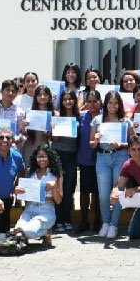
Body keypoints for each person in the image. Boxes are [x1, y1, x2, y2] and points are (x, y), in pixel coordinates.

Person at [91, 91, 135, 239]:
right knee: (103, 194)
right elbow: (91, 144)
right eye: (110, 102)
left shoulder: (125, 121)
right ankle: (106, 222)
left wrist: (122, 144)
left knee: (118, 191)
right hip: (103, 157)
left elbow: (133, 143)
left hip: (120, 155)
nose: (113, 106)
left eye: (116, 103)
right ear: (105, 104)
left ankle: (114, 225)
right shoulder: (97, 120)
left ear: (120, 104)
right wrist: (96, 140)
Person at [12, 144, 63, 245]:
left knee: (27, 231)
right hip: (29, 208)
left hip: (46, 210)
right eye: (39, 156)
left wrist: (54, 188)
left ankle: (46, 231)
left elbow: (58, 200)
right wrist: (17, 191)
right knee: (17, 230)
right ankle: (25, 234)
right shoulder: (30, 172)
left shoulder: (56, 174)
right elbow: (24, 195)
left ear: (50, 157)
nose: (41, 159)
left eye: (44, 156)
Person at [52, 90, 80, 233]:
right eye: (65, 99)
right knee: (59, 188)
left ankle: (67, 219)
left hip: (72, 155)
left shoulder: (78, 116)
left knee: (69, 188)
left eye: (71, 99)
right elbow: (54, 139)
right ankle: (58, 220)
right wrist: (56, 129)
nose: (68, 102)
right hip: (58, 154)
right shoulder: (57, 115)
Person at [76, 90, 103, 233]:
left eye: (95, 101)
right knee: (85, 192)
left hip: (101, 159)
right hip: (85, 159)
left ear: (100, 102)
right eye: (89, 101)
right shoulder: (81, 117)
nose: (92, 104)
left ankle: (97, 222)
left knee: (98, 193)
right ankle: (84, 221)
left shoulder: (106, 117)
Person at [20, 85, 55, 164]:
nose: (42, 97)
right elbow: (25, 133)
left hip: (45, 147)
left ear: (49, 96)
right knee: (28, 171)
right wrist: (23, 126)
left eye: (45, 95)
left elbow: (53, 138)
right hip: (30, 146)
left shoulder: (54, 114)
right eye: (39, 95)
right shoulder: (29, 112)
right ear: (35, 97)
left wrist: (52, 130)